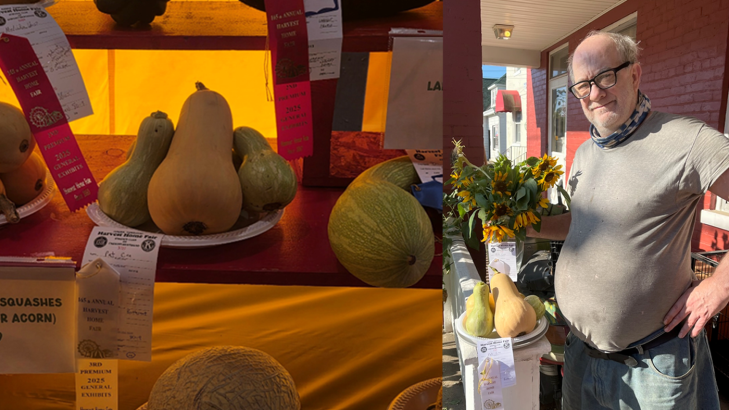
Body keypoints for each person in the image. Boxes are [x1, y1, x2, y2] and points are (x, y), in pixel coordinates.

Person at [526, 30, 729, 409]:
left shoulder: (687, 141)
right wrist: (526, 224)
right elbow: (582, 225)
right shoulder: (585, 154)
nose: (595, 93)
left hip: (652, 365)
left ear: (634, 75)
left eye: (605, 77)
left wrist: (718, 288)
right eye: (583, 86)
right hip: (582, 356)